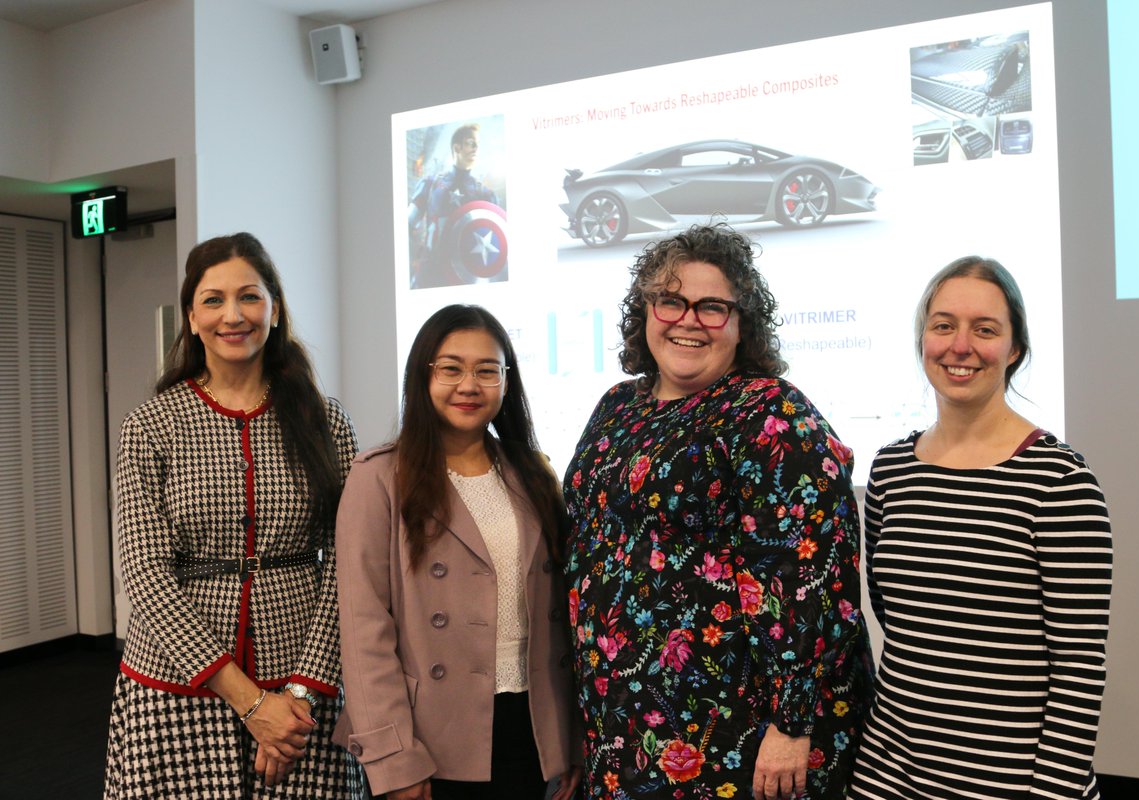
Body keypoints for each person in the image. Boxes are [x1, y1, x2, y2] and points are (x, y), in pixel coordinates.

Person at [563, 223, 874, 799]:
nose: (688, 320)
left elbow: (809, 575)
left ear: (741, 323)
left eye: (712, 307)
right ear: (646, 311)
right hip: (619, 719)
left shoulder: (770, 412)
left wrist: (792, 722)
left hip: (732, 729)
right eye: (671, 301)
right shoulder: (616, 407)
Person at [104, 233, 362, 797]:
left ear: (274, 308)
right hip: (178, 684)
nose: (233, 315)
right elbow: (145, 575)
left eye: (249, 296)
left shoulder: (326, 421)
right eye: (214, 300)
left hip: (301, 686)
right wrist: (250, 704)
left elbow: (352, 565)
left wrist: (296, 697)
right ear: (192, 317)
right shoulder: (151, 425)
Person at [847, 257, 1112, 800]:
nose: (960, 346)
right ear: (923, 338)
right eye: (943, 325)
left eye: (984, 329)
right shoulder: (891, 470)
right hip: (888, 775)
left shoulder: (1059, 479)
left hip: (1012, 786)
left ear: (1014, 349)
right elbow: (901, 634)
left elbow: (1079, 676)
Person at [334, 304, 583, 800]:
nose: (469, 385)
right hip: (431, 738)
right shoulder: (379, 475)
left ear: (506, 382)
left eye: (487, 370)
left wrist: (568, 741)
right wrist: (394, 759)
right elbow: (365, 630)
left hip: (532, 728)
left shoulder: (533, 471)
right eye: (451, 368)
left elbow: (559, 619)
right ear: (422, 374)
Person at [408, 123, 502, 289]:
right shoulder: (430, 183)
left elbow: (497, 238)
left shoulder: (485, 193)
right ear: (457, 147)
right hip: (430, 273)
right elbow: (408, 222)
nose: (475, 149)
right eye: (471, 143)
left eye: (477, 145)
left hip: (468, 276)